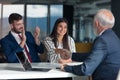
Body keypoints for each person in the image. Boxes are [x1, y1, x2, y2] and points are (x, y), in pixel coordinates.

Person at [60, 9, 120, 80]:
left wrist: (66, 67)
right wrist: (71, 55)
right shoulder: (115, 38)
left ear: (97, 23)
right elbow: (93, 56)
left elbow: (85, 69)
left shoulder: (102, 40)